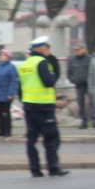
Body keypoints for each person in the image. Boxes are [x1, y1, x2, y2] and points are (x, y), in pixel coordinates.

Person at [18, 36, 67, 177]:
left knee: (31, 139)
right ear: (40, 48)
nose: (47, 50)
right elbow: (49, 82)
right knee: (51, 138)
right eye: (46, 47)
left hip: (29, 106)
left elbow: (20, 87)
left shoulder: (25, 64)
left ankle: (35, 169)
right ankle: (53, 167)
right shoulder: (42, 62)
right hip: (44, 106)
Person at [0, 49, 18, 138]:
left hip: (6, 94)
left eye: (3, 55)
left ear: (8, 57)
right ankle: (1, 131)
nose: (1, 56)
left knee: (6, 113)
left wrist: (10, 93)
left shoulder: (11, 67)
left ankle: (7, 131)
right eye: (1, 55)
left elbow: (13, 81)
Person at [67, 44, 94, 129]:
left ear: (83, 50)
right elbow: (69, 71)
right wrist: (72, 79)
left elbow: (93, 70)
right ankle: (84, 121)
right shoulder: (71, 59)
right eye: (75, 50)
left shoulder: (89, 59)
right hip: (78, 84)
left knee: (92, 102)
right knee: (81, 103)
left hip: (89, 83)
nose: (76, 51)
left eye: (78, 50)